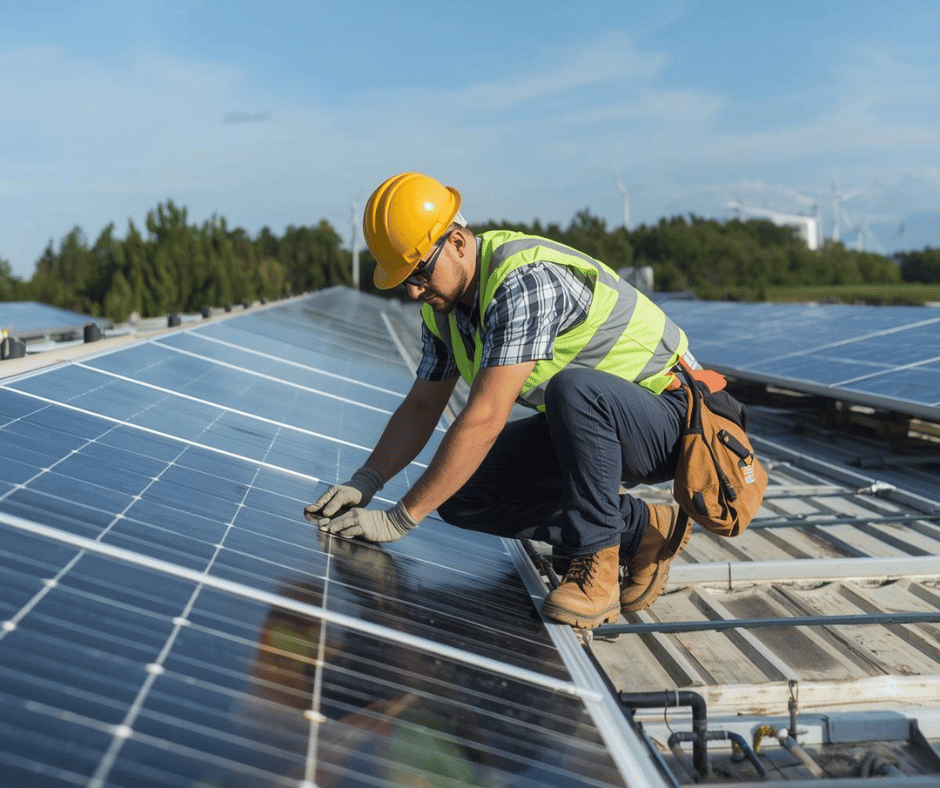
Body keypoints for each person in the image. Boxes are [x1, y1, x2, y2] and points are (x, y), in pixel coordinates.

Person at [304, 172, 696, 629]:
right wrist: (365, 481)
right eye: (402, 282)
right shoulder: (443, 311)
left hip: (670, 418)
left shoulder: (522, 281)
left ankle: (596, 567)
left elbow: (486, 416)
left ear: (456, 241)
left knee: (573, 389)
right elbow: (420, 407)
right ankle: (642, 529)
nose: (413, 291)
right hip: (587, 429)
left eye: (419, 272)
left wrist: (399, 519)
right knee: (463, 495)